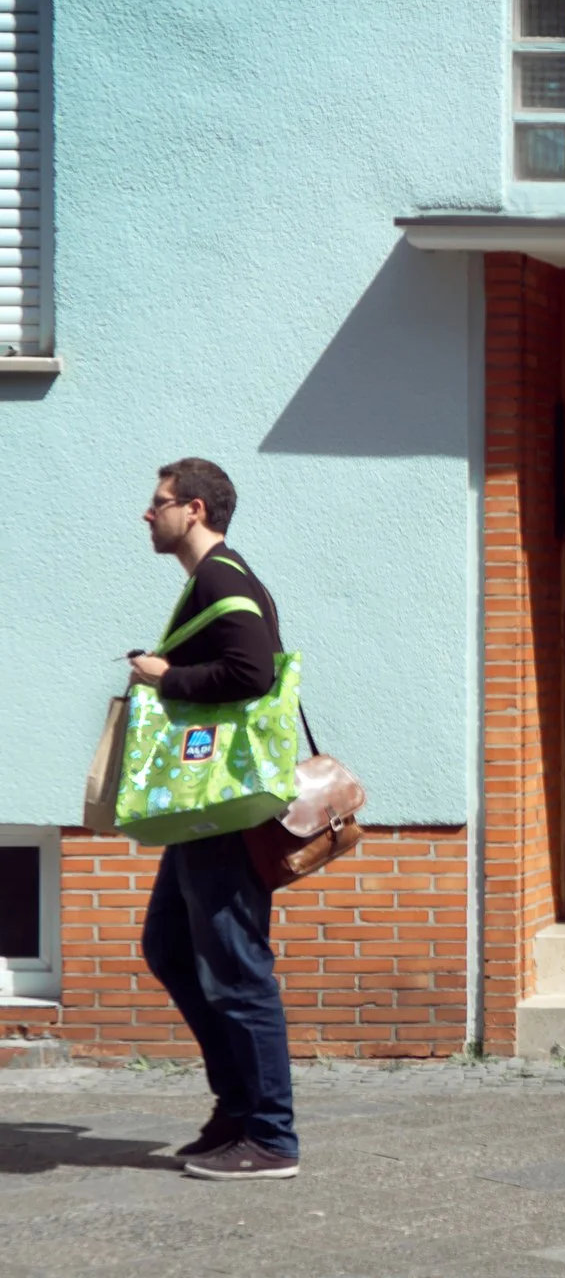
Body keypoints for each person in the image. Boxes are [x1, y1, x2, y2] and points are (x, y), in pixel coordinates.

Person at [130, 457, 300, 1182]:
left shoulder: (224, 578)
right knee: (169, 946)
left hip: (222, 810)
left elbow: (254, 673)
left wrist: (169, 676)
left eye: (159, 502)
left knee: (237, 968)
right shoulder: (210, 581)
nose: (148, 513)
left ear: (194, 509)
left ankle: (270, 1138)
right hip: (201, 810)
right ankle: (235, 1107)